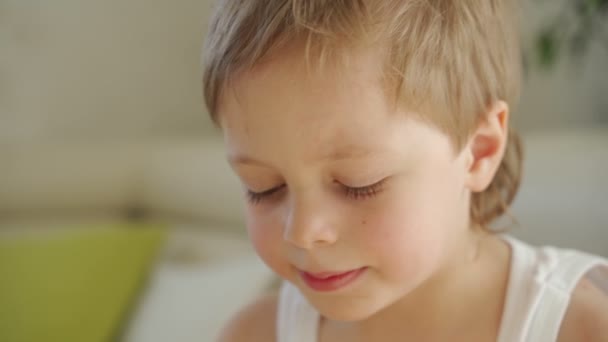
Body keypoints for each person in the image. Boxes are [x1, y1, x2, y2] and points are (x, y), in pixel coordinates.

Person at [201, 1, 608, 341]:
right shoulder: (254, 334)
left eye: (358, 184)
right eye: (264, 188)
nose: (302, 231)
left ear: (479, 150)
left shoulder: (578, 328)